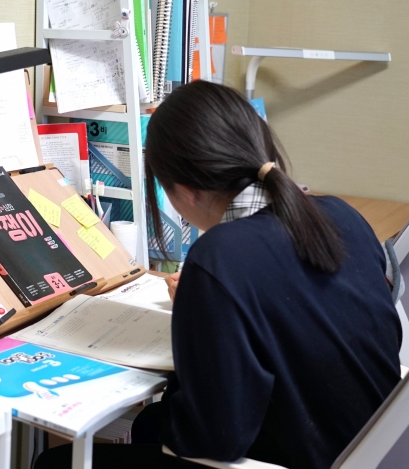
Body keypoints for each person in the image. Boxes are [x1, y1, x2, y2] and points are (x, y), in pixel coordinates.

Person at [34, 80, 402, 469]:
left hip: (291, 455)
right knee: (147, 424)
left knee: (53, 462)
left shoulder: (220, 257)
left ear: (187, 190)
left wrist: (201, 314)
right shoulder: (339, 214)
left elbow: (210, 440)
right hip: (368, 448)